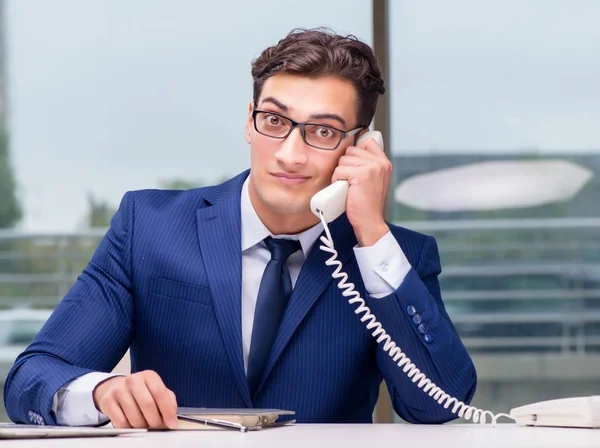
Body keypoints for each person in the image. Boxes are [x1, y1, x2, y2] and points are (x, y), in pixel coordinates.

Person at [4, 28, 476, 429]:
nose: (290, 154)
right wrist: (103, 390)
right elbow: (32, 377)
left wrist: (371, 231)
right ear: (249, 124)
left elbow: (435, 405)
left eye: (324, 131)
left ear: (361, 148)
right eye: (274, 120)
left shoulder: (393, 256)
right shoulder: (149, 228)